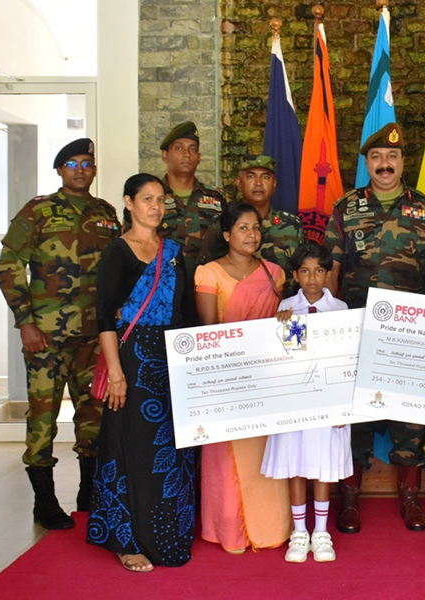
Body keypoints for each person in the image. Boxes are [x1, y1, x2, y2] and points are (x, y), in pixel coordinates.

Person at [324, 122, 425, 533]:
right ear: (367, 163)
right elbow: (332, 271)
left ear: (402, 163)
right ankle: (349, 500)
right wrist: (330, 323)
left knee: (409, 414)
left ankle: (410, 497)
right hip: (356, 329)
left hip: (408, 334)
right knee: (355, 414)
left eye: (392, 157)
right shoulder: (346, 208)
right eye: (377, 158)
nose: (385, 164)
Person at [0, 138, 120, 530]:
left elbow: (118, 270)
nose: (80, 169)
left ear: (94, 169)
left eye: (86, 163)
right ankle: (45, 502)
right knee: (43, 417)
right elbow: (9, 265)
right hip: (46, 335)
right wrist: (25, 322)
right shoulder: (37, 211)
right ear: (60, 171)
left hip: (93, 336)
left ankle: (88, 494)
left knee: (93, 415)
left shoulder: (107, 214)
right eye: (71, 163)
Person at [88, 173, 195, 571]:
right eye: (147, 199)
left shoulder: (173, 252)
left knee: (170, 447)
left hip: (172, 358)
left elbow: (185, 313)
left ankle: (169, 530)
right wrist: (116, 372)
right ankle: (127, 539)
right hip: (132, 359)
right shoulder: (119, 251)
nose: (155, 206)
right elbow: (104, 316)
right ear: (129, 203)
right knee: (132, 445)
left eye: (161, 200)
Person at [194, 202, 292, 554]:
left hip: (267, 380)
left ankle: (272, 527)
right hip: (227, 380)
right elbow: (208, 331)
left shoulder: (274, 273)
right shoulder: (209, 273)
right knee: (225, 456)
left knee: (266, 453)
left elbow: (284, 323)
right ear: (226, 235)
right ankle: (229, 530)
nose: (252, 235)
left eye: (256, 228)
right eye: (243, 228)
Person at [261, 242, 352, 563]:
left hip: (327, 401)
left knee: (322, 465)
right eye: (305, 271)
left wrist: (344, 406)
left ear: (328, 273)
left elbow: (346, 360)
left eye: (319, 271)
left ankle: (321, 532)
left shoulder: (340, 310)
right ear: (295, 275)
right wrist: (279, 326)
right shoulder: (286, 307)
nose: (312, 278)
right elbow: (280, 357)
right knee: (296, 462)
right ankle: (299, 532)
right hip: (295, 400)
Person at [199, 154, 305, 295]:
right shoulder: (223, 224)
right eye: (251, 176)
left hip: (283, 311)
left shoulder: (292, 226)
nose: (258, 183)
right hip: (234, 311)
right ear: (238, 182)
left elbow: (305, 272)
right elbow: (205, 273)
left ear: (274, 183)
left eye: (265, 177)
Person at [157, 121, 227, 281]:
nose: (187, 154)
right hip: (161, 288)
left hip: (205, 287)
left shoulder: (215, 199)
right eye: (179, 148)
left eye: (193, 149)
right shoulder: (150, 197)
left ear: (199, 158)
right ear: (165, 155)